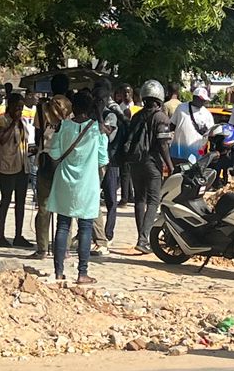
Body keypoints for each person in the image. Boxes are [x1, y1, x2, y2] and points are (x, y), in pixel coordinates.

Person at [47, 90, 109, 284]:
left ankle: (58, 271)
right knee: (85, 228)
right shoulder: (96, 130)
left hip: (64, 182)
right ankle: (82, 273)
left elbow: (55, 154)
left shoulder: (63, 126)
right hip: (87, 184)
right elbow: (103, 159)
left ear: (73, 107)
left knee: (62, 226)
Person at [124, 80, 174, 255]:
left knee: (140, 199)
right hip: (152, 163)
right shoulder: (161, 118)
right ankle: (143, 239)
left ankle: (141, 238)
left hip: (135, 162)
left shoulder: (137, 116)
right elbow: (163, 144)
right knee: (153, 201)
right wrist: (170, 166)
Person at [31, 94, 71, 259]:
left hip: (46, 164)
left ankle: (42, 248)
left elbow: (36, 136)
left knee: (43, 209)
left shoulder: (40, 112)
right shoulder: (72, 120)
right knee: (64, 209)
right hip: (63, 165)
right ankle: (64, 248)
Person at [90, 80, 128, 254]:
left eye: (100, 99)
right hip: (93, 161)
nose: (97, 102)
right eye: (95, 98)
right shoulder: (90, 114)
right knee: (92, 197)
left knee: (111, 199)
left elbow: (106, 134)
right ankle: (92, 234)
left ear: (106, 98)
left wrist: (98, 116)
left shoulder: (111, 114)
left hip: (111, 160)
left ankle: (108, 233)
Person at [0, 92, 31, 248]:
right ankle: (0, 235)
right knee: (6, 200)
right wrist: (13, 123)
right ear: (10, 106)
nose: (20, 110)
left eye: (21, 108)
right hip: (7, 166)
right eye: (17, 107)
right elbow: (2, 139)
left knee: (20, 202)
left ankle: (18, 235)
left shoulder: (21, 121)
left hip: (22, 164)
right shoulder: (2, 120)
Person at [169, 84, 214, 162]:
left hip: (197, 154)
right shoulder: (181, 108)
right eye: (201, 99)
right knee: (177, 173)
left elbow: (211, 134)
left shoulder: (207, 114)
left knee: (193, 173)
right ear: (194, 97)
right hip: (177, 153)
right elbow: (172, 125)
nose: (203, 102)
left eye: (204, 100)